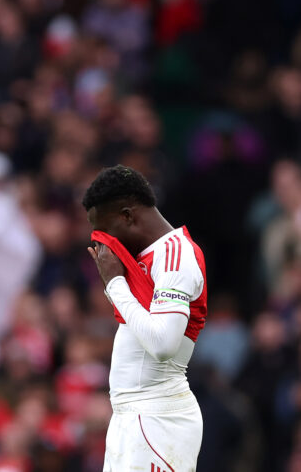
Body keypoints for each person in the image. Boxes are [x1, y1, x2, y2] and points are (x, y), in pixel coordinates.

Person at [82, 165, 207, 472]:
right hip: (130, 417)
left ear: (127, 216)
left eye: (105, 231)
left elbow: (163, 343)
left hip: (158, 417)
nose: (103, 243)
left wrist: (115, 285)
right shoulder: (146, 257)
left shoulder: (176, 255)